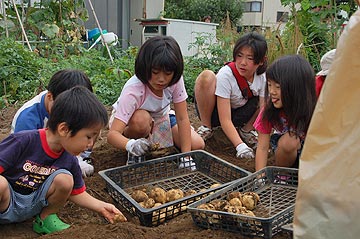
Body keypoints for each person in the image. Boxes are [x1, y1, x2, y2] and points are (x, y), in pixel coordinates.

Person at [0, 86, 127, 234]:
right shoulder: (23, 141)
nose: (91, 144)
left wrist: (101, 206)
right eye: (88, 136)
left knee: (65, 180)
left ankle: (44, 219)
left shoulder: (69, 157)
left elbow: (76, 192)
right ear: (64, 129)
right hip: (7, 202)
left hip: (32, 205)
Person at [107, 36, 205, 166]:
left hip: (161, 117)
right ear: (145, 68)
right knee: (140, 120)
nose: (161, 79)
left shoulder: (175, 81)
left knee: (197, 145)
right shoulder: (134, 90)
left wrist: (186, 157)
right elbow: (112, 134)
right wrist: (130, 144)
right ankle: (136, 150)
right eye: (155, 72)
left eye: (167, 73)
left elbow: (182, 118)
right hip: (131, 122)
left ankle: (162, 148)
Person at [194, 32, 268, 159]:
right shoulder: (226, 75)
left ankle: (246, 131)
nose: (243, 62)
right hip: (216, 113)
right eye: (239, 56)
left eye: (250, 58)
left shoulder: (263, 77)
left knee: (269, 97)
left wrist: (263, 142)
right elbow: (225, 119)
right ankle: (206, 127)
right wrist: (240, 146)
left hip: (241, 113)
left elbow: (264, 111)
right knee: (206, 77)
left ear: (261, 61)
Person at [11, 69, 95, 177]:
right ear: (50, 97)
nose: (69, 115)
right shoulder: (28, 119)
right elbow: (26, 157)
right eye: (66, 109)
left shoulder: (70, 107)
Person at [254, 55, 317, 171]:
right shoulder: (269, 111)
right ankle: (282, 175)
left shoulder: (315, 111)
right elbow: (262, 147)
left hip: (312, 156)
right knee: (290, 140)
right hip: (286, 155)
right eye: (269, 85)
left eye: (277, 87)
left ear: (296, 89)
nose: (272, 91)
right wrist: (259, 178)